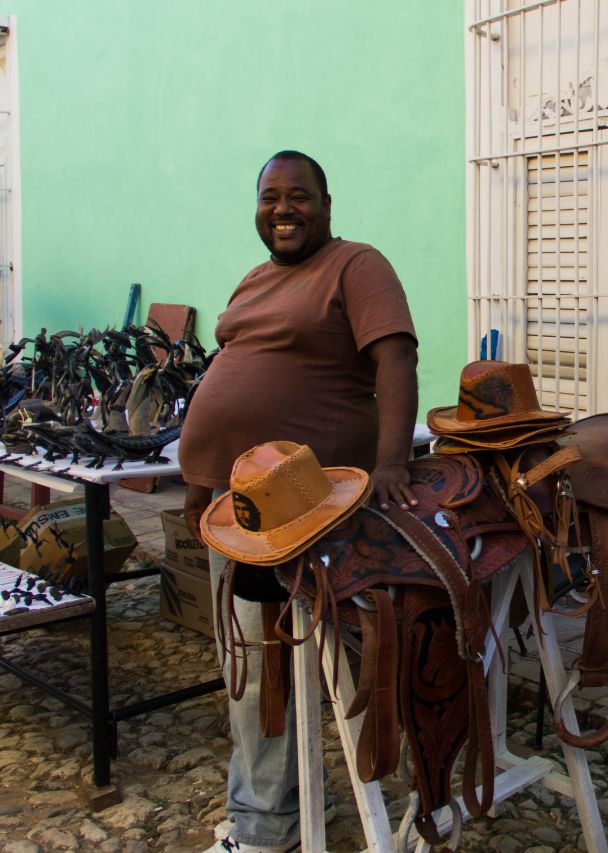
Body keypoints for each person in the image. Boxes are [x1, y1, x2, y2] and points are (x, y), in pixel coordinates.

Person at [181, 150, 419, 853]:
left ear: (327, 203)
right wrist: (199, 479)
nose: (283, 208)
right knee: (252, 668)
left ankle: (271, 824)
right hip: (242, 507)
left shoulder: (355, 266)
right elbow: (231, 379)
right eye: (269, 196)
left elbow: (395, 357)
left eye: (300, 196)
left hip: (313, 508)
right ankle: (268, 819)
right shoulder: (255, 280)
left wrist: (392, 462)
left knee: (321, 663)